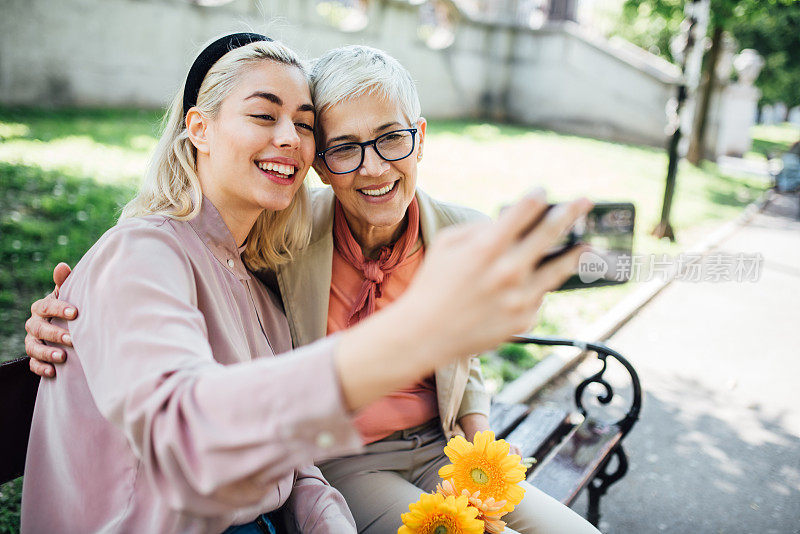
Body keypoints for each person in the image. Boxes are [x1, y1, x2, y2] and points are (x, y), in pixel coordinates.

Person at [19, 34, 591, 534]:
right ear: (198, 128)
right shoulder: (186, 250)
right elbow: (186, 421)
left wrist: (472, 439)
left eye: (303, 124)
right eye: (265, 116)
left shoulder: (255, 276)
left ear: (419, 136)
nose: (290, 138)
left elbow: (295, 465)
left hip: (401, 462)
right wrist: (75, 302)